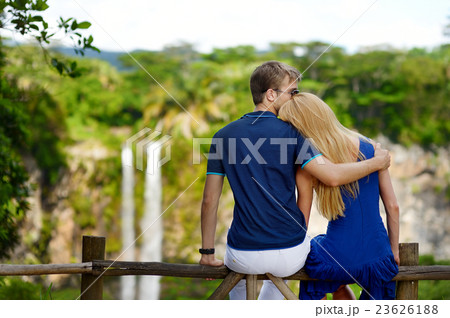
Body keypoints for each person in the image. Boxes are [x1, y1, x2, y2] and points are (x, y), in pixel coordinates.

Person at [199, 61, 391, 300]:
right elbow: (331, 177)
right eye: (292, 92)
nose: (295, 98)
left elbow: (209, 201)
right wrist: (376, 163)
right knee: (285, 273)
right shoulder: (294, 134)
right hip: (289, 252)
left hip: (243, 253)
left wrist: (207, 252)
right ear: (271, 94)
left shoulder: (222, 136)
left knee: (236, 272)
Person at [278, 92, 400, 300]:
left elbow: (301, 224)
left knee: (316, 257)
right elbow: (393, 207)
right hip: (379, 254)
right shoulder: (373, 149)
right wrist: (394, 251)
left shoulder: (307, 166)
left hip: (338, 256)